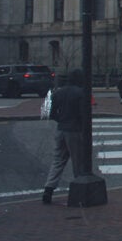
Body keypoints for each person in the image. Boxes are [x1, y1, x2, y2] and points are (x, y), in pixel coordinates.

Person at [42, 68, 85, 204]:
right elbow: (83, 115)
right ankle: (80, 189)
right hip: (74, 130)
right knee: (78, 162)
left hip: (61, 128)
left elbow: (49, 112)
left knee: (58, 160)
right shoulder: (80, 93)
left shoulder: (58, 92)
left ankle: (48, 189)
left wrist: (61, 119)